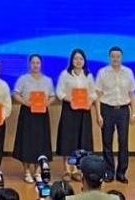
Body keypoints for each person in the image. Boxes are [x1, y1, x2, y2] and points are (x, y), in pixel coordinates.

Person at [95, 46, 135, 184]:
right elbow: (97, 95)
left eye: (118, 56)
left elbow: (132, 94)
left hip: (123, 110)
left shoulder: (128, 72)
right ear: (109, 57)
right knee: (107, 142)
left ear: (121, 57)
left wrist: (133, 113)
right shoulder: (102, 73)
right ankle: (109, 172)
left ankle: (121, 173)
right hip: (107, 109)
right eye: (113, 56)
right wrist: (98, 115)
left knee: (123, 142)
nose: (115, 59)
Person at [12, 54, 56, 183]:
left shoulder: (47, 80)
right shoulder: (23, 79)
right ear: (29, 64)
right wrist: (25, 102)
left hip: (42, 114)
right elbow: (15, 93)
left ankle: (37, 172)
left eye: (38, 63)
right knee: (26, 142)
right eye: (33, 63)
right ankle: (26, 172)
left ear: (41, 64)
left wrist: (47, 103)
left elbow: (52, 96)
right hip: (27, 113)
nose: (35, 65)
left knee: (40, 143)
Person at [56, 48, 98, 181]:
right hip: (69, 110)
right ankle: (67, 170)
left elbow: (93, 93)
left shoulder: (88, 76)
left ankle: (76, 170)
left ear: (84, 61)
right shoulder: (65, 74)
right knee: (68, 139)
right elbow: (59, 92)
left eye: (81, 59)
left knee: (81, 139)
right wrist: (71, 99)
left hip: (84, 111)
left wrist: (89, 101)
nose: (78, 61)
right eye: (76, 58)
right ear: (71, 60)